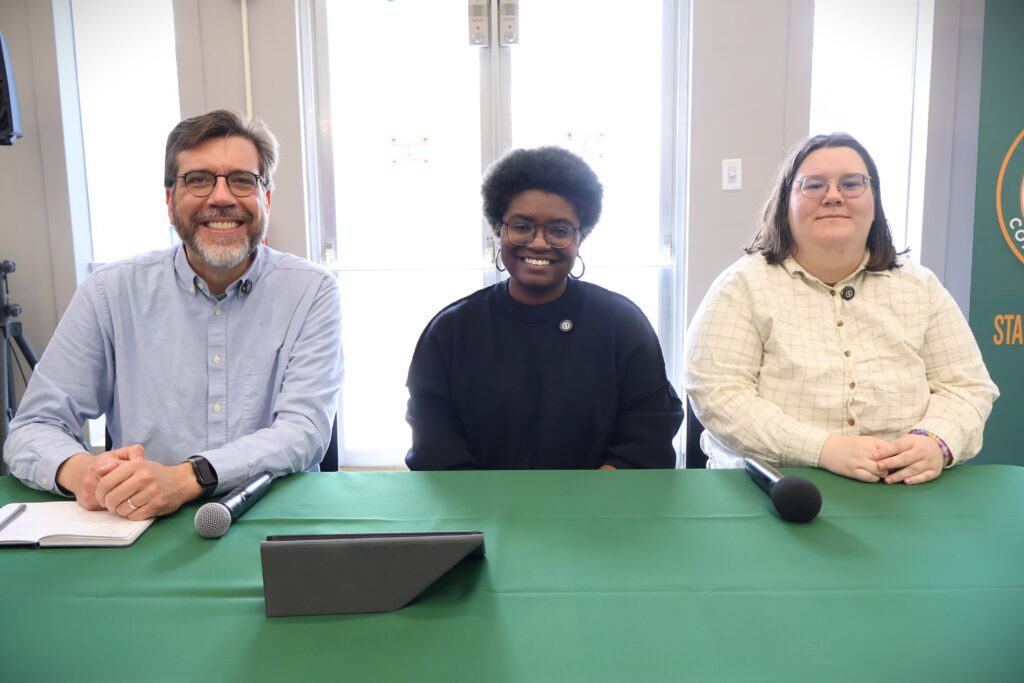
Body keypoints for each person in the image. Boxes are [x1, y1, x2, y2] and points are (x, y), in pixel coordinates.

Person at [3, 109, 343, 518]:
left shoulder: (312, 290)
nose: (221, 197)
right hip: (142, 523)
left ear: (265, 199)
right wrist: (84, 472)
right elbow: (32, 428)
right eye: (198, 180)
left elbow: (304, 430)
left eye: (242, 180)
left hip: (273, 517)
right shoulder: (110, 292)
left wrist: (187, 478)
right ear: (170, 201)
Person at [684, 132, 998, 485]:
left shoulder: (921, 287)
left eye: (851, 184)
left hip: (901, 491)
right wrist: (823, 449)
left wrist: (935, 441)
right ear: (784, 203)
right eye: (813, 186)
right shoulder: (740, 288)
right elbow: (719, 395)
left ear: (875, 201)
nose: (833, 196)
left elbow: (967, 387)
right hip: (774, 490)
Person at [405, 146, 683, 470]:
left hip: (599, 512)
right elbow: (435, 448)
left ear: (581, 238)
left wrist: (583, 508)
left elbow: (649, 434)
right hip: (482, 514)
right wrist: (494, 514)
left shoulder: (622, 325)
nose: (538, 243)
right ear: (499, 231)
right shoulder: (451, 331)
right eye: (522, 226)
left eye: (559, 230)